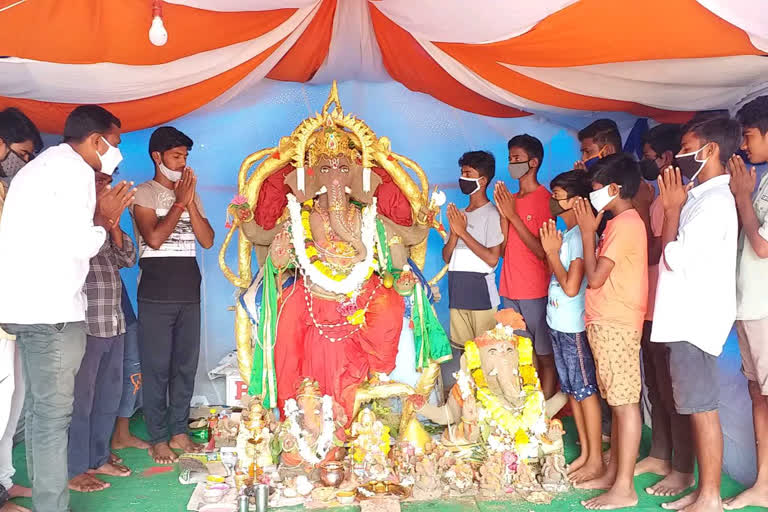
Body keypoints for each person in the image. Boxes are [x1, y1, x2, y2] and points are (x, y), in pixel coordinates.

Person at [0, 105, 133, 512]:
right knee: (52, 420)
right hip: (52, 310)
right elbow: (82, 244)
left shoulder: (40, 167)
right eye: (115, 144)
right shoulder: (74, 170)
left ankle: (44, 501)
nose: (116, 153)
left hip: (19, 305)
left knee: (38, 415)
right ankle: (53, 507)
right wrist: (105, 219)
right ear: (96, 140)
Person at [651, 115, 740, 512]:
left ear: (710, 151)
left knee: (702, 409)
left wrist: (671, 212)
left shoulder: (714, 203)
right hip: (685, 319)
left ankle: (710, 497)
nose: (681, 156)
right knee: (693, 406)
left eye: (688, 148)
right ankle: (702, 489)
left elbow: (673, 258)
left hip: (695, 322)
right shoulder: (701, 196)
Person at [132, 126, 214, 464]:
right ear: (157, 157)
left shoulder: (191, 194)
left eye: (185, 157)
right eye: (176, 156)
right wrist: (179, 203)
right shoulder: (144, 194)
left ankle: (179, 431)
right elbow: (153, 238)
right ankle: (158, 438)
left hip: (187, 292)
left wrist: (190, 201)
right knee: (157, 369)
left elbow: (206, 240)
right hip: (156, 294)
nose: (182, 163)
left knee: (184, 366)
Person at [573, 153, 648, 509]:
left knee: (624, 406)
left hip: (617, 323)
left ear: (615, 189)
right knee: (617, 404)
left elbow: (596, 278)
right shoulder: (621, 222)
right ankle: (614, 474)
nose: (593, 197)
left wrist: (589, 232)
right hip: (607, 323)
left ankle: (624, 488)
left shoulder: (625, 223)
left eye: (597, 189)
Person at [633, 123, 696, 497]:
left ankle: (684, 468)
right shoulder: (658, 199)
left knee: (675, 392)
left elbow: (659, 252)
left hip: (670, 309)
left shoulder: (680, 199)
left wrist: (641, 208)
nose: (645, 163)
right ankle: (660, 454)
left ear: (667, 158)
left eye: (649, 156)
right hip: (650, 306)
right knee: (655, 387)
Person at [68, 169, 137, 493]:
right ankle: (75, 468)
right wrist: (98, 221)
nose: (107, 189)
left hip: (114, 321)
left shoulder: (108, 222)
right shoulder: (74, 220)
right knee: (82, 401)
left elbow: (128, 258)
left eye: (108, 183)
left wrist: (114, 224)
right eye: (101, 183)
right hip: (86, 324)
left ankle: (98, 457)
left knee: (108, 397)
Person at [538, 170, 603, 483]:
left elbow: (571, 286)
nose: (552, 202)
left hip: (573, 327)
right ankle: (587, 453)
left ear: (577, 202)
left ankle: (596, 459)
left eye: (557, 197)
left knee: (585, 390)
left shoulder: (578, 238)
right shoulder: (568, 234)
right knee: (573, 391)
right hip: (558, 323)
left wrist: (551, 252)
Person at [724, 96, 768, 510]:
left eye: (749, 136)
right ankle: (763, 482)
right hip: (747, 305)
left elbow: (762, 245)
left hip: (765, 309)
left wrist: (741, 196)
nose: (743, 146)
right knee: (757, 394)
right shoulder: (760, 176)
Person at [0, 107, 42, 512]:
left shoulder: (7, 190)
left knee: (13, 397)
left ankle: (4, 482)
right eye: (23, 154)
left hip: (12, 309)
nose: (26, 164)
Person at [494, 134, 557, 399]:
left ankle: (544, 408)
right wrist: (504, 215)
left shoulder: (546, 199)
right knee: (519, 354)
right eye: (509, 159)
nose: (512, 164)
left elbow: (542, 250)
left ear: (533, 162)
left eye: (517, 158)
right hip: (509, 288)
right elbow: (503, 248)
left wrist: (512, 215)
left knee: (544, 355)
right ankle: (525, 405)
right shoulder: (511, 199)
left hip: (535, 290)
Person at [442, 151, 504, 386]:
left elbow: (492, 259)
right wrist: (455, 233)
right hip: (458, 292)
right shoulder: (460, 215)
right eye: (462, 173)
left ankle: (487, 403)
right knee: (464, 353)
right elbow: (447, 256)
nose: (463, 178)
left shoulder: (492, 214)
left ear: (483, 180)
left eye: (468, 173)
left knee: (485, 354)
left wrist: (463, 232)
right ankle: (467, 400)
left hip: (481, 296)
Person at [111, 279, 149, 451]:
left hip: (121, 308)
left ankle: (122, 433)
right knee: (98, 380)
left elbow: (127, 259)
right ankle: (94, 447)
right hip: (91, 313)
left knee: (133, 370)